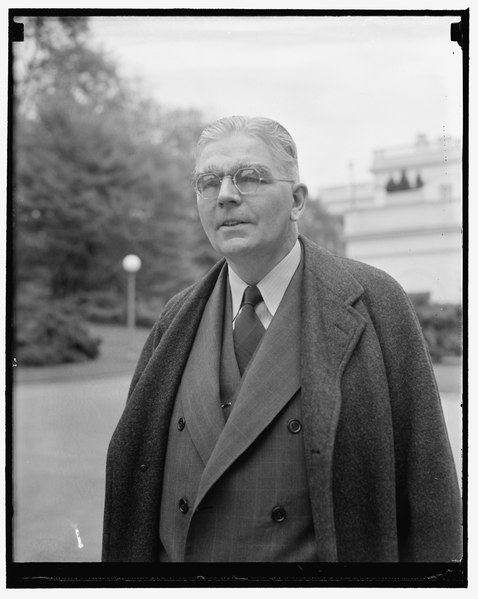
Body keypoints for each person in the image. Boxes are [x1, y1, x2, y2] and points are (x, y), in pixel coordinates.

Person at [102, 116, 462, 563]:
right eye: (208, 182)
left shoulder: (377, 302)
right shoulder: (175, 318)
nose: (226, 195)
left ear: (296, 201)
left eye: (249, 177)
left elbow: (430, 495)